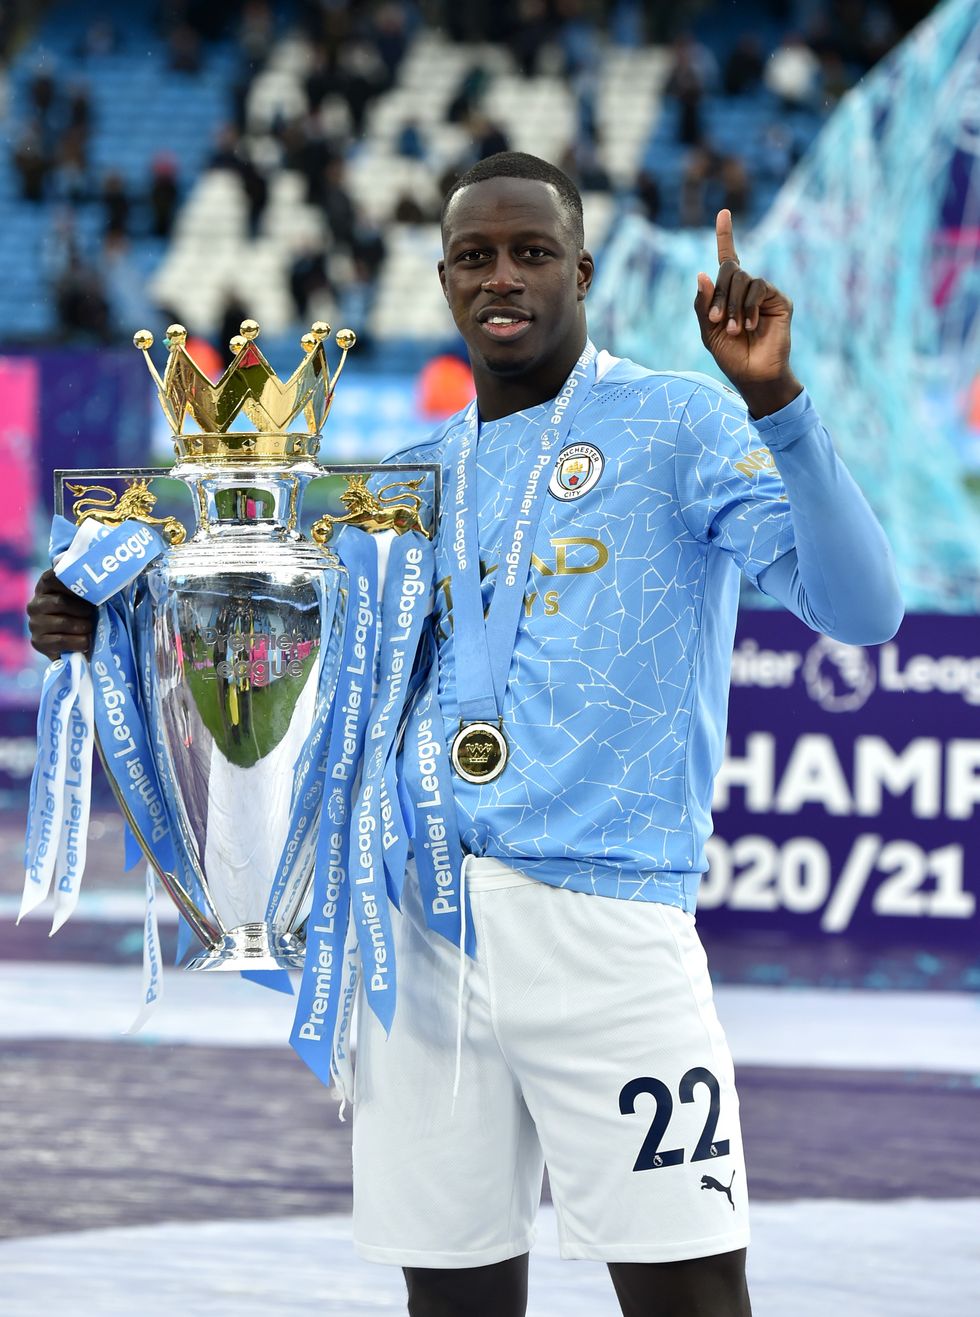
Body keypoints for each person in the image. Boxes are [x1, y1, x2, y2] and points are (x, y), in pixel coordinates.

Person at [27, 152, 903, 1316]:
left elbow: (863, 610)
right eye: (476, 256)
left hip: (607, 923)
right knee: (450, 1300)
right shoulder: (405, 479)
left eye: (532, 252)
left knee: (688, 1293)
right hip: (419, 935)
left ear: (579, 270)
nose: (504, 277)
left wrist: (777, 406)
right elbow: (292, 674)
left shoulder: (680, 423)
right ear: (442, 280)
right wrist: (108, 619)